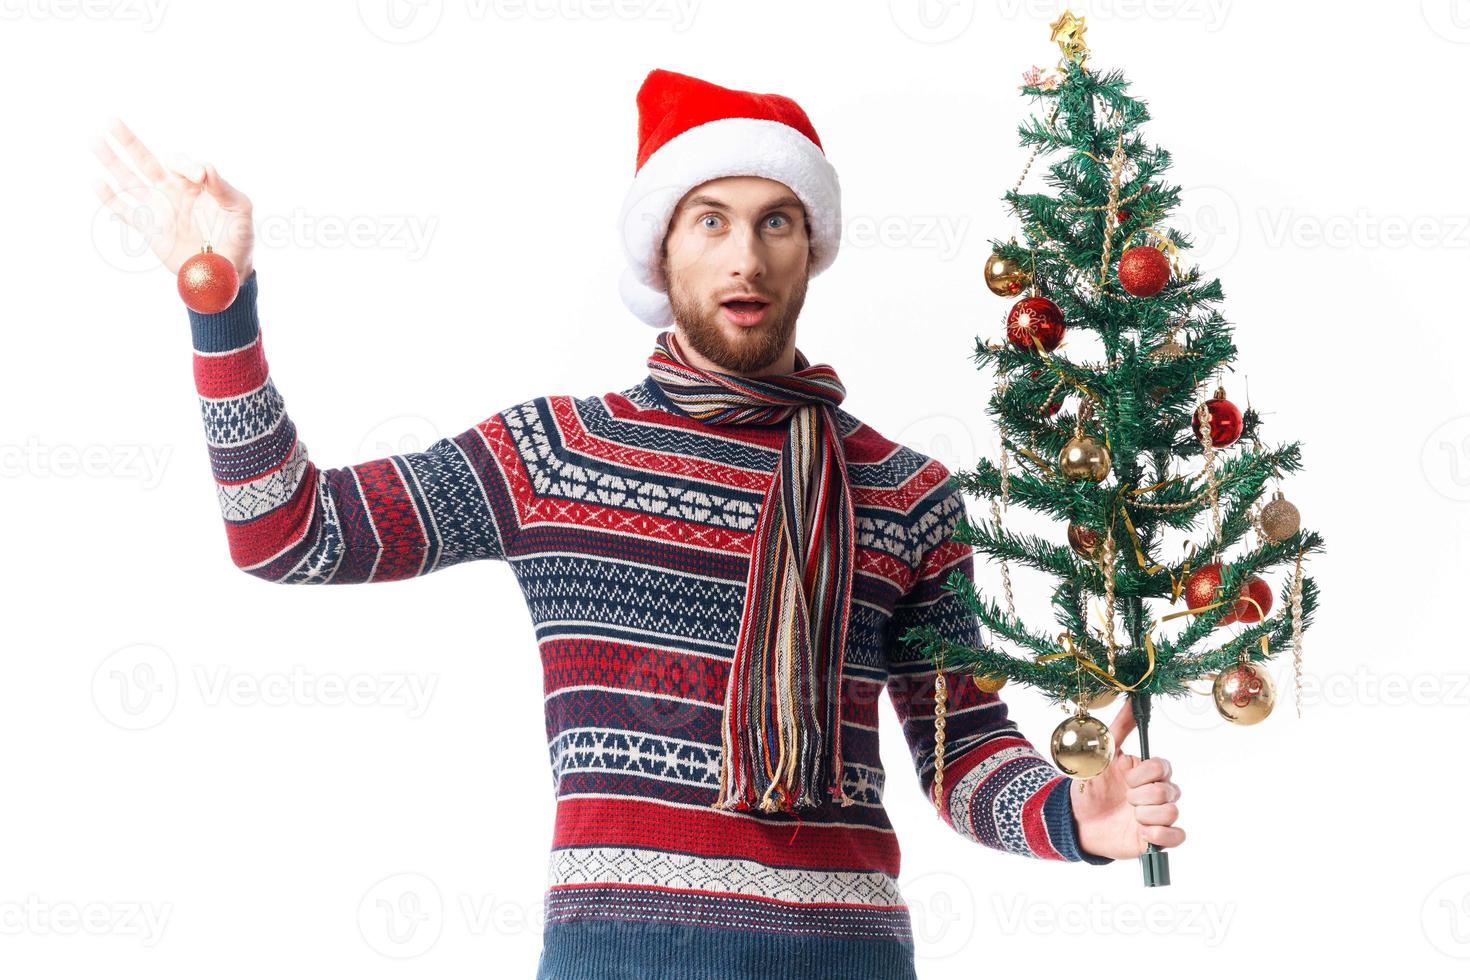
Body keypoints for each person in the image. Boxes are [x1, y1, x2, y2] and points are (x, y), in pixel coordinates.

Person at [92, 67, 1184, 980]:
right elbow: (290, 530)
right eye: (711, 221)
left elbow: (962, 752)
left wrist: (1073, 818)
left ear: (814, 247)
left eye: (776, 223)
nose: (745, 258)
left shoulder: (904, 491)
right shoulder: (560, 454)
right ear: (662, 251)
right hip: (621, 955)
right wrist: (219, 307)